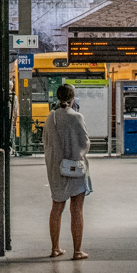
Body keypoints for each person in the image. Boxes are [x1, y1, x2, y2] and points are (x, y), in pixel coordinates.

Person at [42, 82, 91, 259]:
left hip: (56, 169)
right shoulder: (76, 117)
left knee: (56, 207)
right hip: (75, 169)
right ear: (72, 98)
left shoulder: (50, 118)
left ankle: (55, 248)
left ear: (58, 97)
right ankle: (77, 251)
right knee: (76, 210)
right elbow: (85, 143)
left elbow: (46, 143)